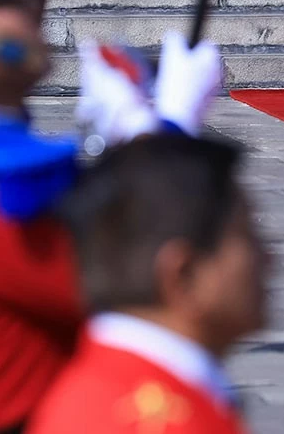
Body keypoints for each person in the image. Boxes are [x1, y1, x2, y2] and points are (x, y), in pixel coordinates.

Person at [28, 133, 268, 434]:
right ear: (184, 275)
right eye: (248, 238)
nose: (268, 258)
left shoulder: (101, 384)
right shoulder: (169, 423)